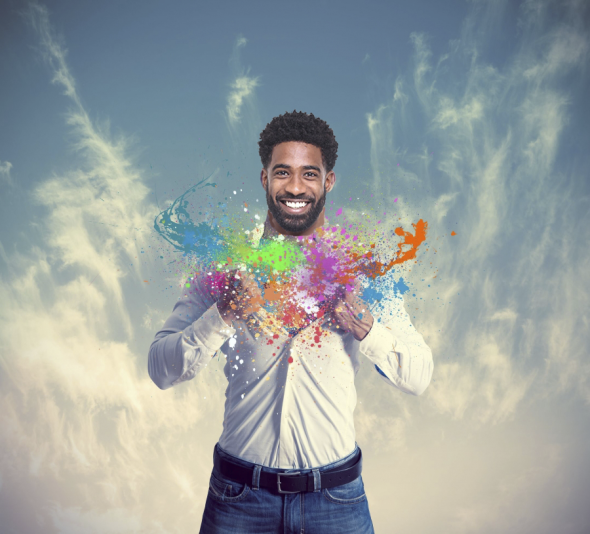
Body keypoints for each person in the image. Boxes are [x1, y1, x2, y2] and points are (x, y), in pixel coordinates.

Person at [148, 111, 434, 533]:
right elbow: (160, 368)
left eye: (309, 174)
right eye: (283, 173)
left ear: (328, 181)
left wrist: (367, 330)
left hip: (337, 503)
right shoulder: (228, 267)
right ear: (265, 179)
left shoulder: (362, 271)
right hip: (238, 502)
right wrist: (225, 312)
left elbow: (419, 376)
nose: (295, 187)